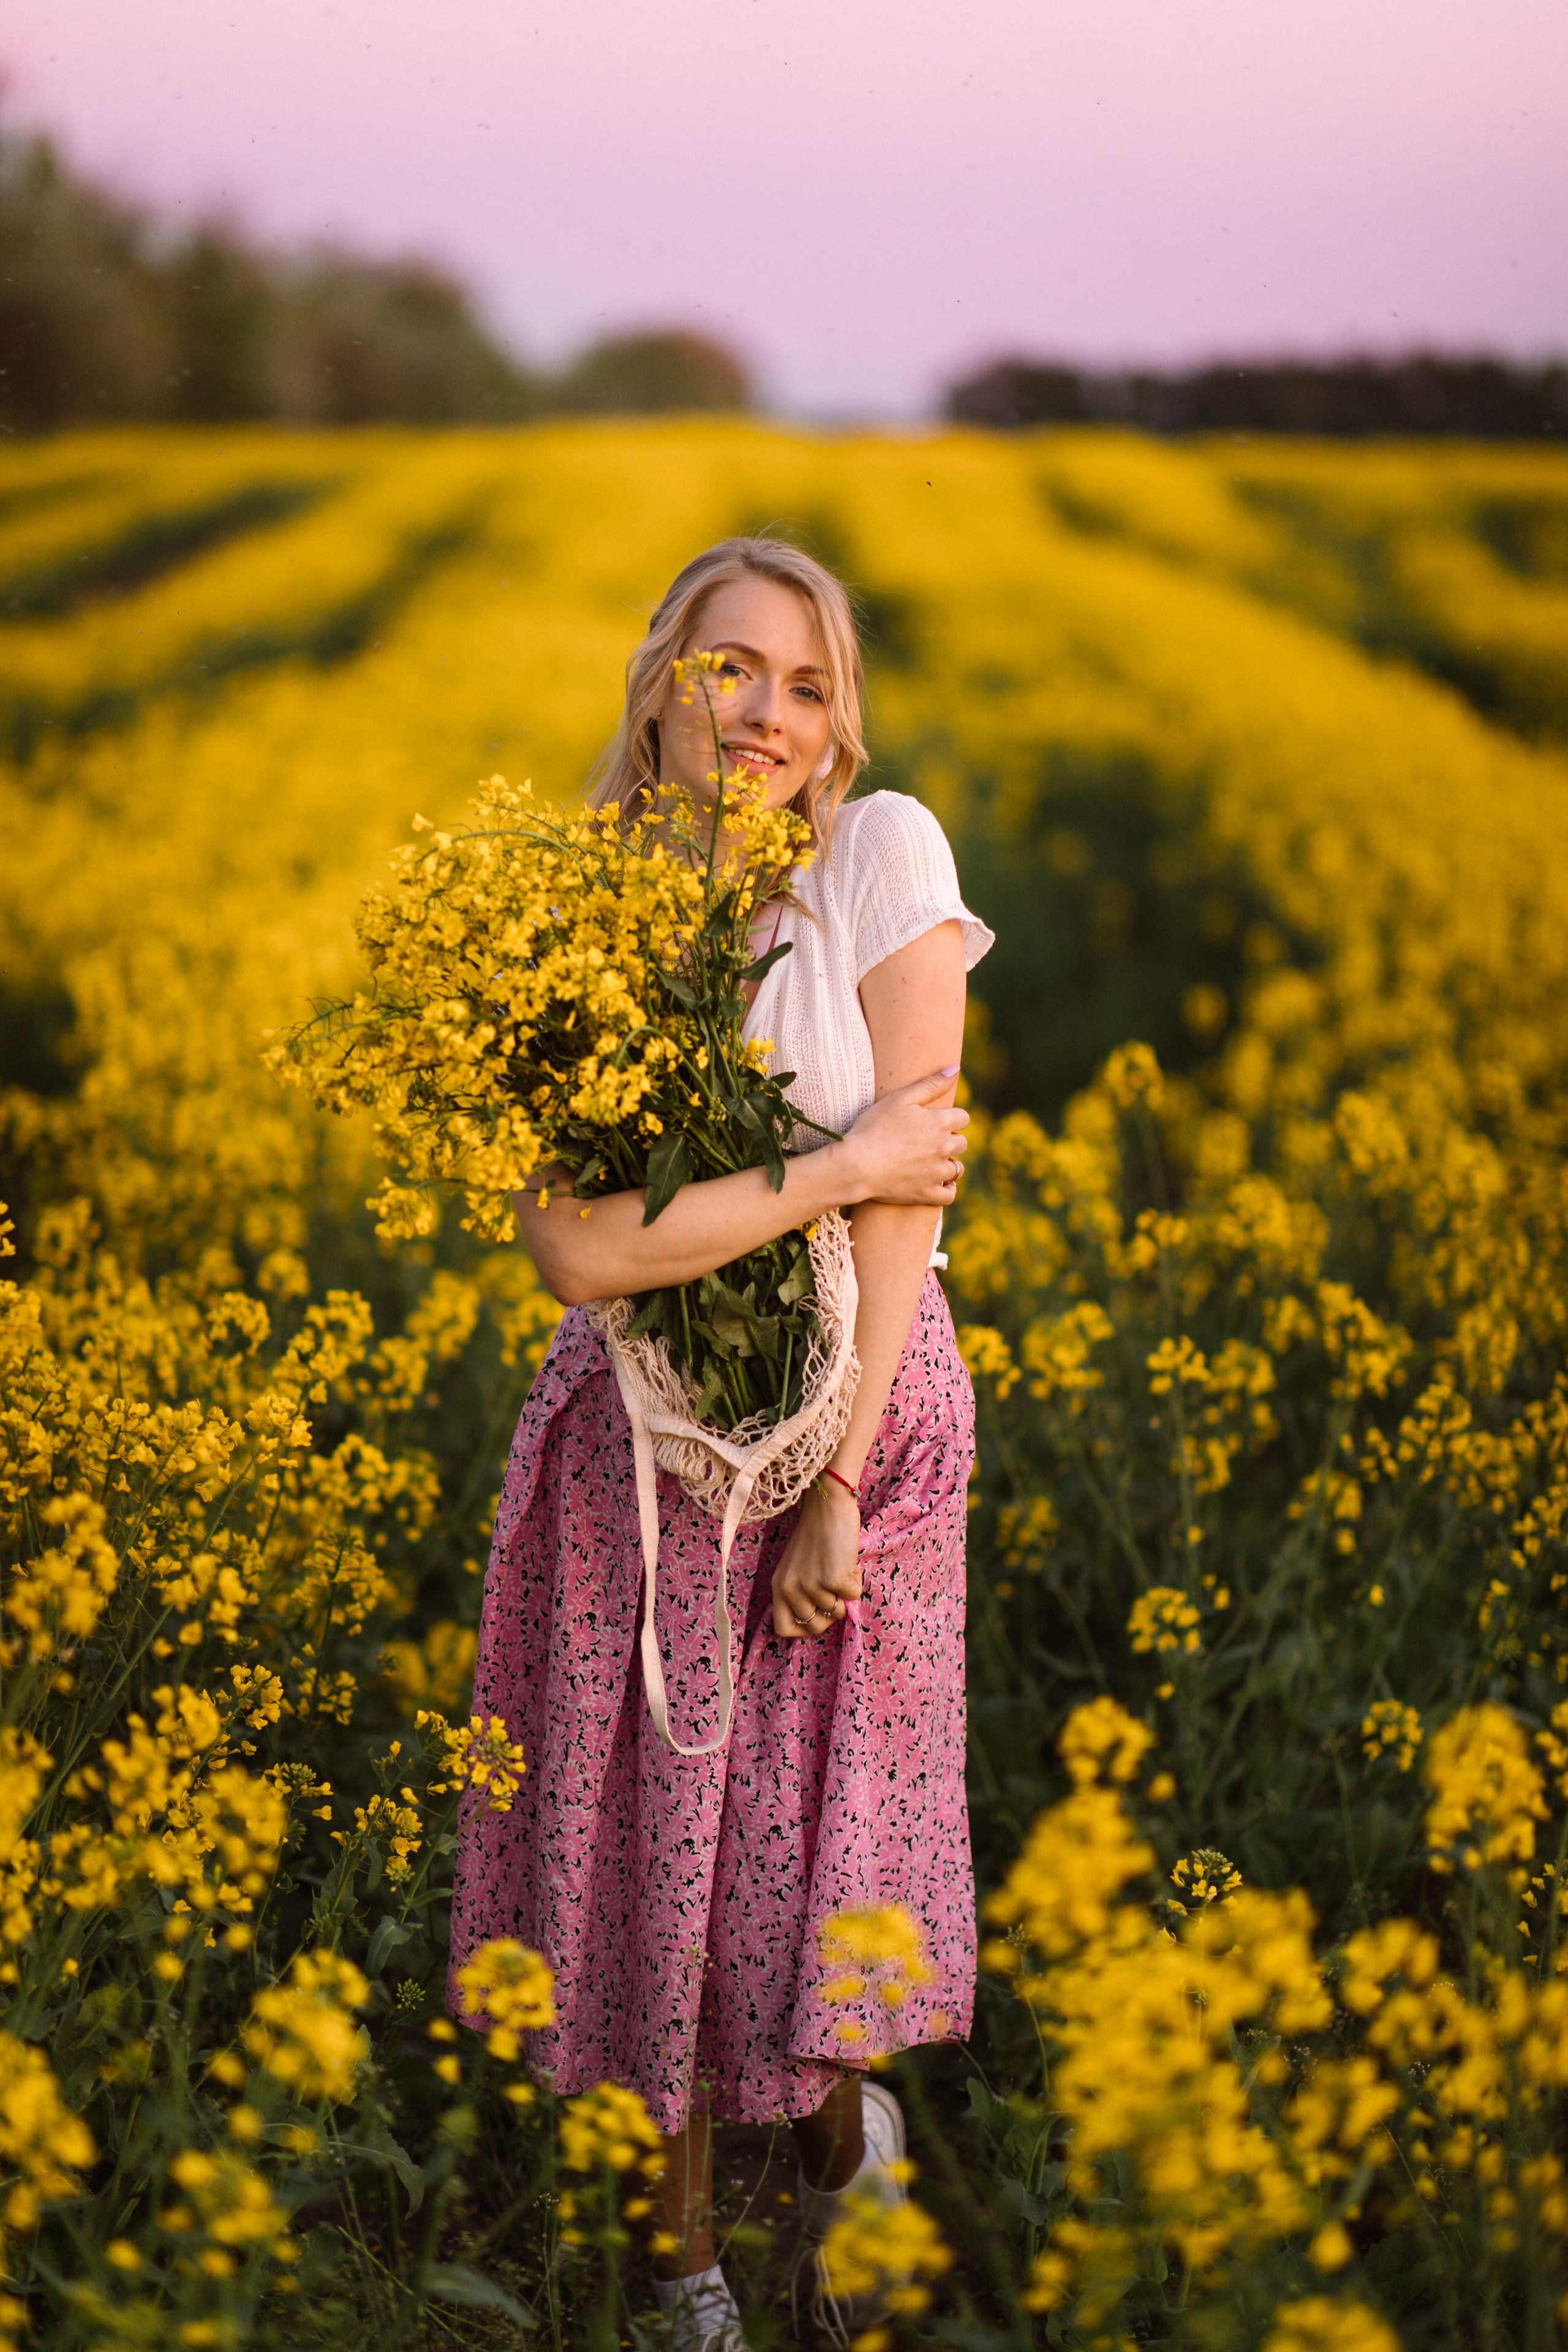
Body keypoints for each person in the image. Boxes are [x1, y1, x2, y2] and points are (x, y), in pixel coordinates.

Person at [450, 537, 993, 2351]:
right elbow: (582, 1248)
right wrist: (832, 1169)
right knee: (653, 1854)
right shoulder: (584, 916)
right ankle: (684, 2271)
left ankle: (851, 2147)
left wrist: (836, 1480)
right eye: (731, 668)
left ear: (841, 733)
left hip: (855, 1421)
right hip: (639, 1436)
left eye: (808, 684)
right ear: (660, 679)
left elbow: (918, 1220)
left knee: (794, 1866)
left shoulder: (875, 856)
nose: (767, 712)